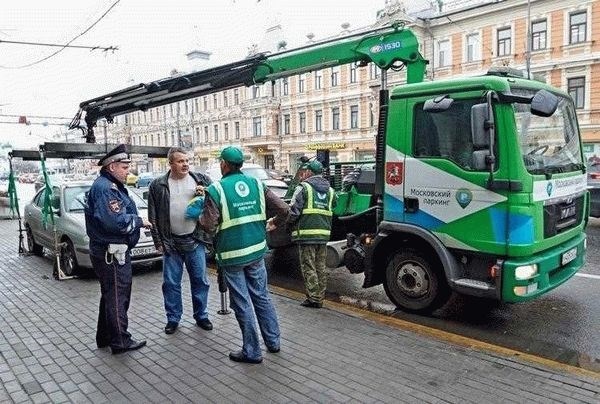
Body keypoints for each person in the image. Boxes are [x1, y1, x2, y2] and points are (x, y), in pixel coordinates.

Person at [199, 146, 289, 364]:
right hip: (257, 251)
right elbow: (284, 210)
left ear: (224, 164)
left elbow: (209, 225)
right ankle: (273, 341)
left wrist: (198, 216)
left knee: (241, 302)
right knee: (261, 295)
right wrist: (272, 224)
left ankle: (252, 351)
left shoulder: (217, 189)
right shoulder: (258, 185)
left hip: (232, 255)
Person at [84, 144, 152, 355]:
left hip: (109, 252)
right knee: (117, 296)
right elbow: (115, 222)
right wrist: (139, 221)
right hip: (112, 254)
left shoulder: (108, 185)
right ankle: (120, 341)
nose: (128, 171)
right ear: (111, 166)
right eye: (124, 166)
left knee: (110, 295)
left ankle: (105, 337)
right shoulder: (107, 189)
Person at [148, 147, 213, 335]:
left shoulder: (200, 180)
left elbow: (215, 204)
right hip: (171, 243)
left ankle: (201, 315)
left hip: (195, 240)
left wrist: (206, 193)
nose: (185, 164)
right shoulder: (158, 185)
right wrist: (157, 241)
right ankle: (173, 318)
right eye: (180, 161)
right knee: (170, 283)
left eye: (187, 161)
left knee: (200, 280)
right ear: (170, 163)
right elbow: (153, 215)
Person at [288, 160, 336, 308]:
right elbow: (334, 205)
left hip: (307, 234)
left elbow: (293, 211)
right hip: (323, 234)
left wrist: (287, 224)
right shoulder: (331, 191)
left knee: (308, 266)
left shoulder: (303, 188)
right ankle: (320, 296)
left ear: (309, 172)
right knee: (320, 266)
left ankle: (314, 298)